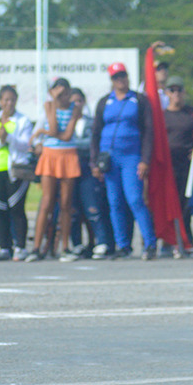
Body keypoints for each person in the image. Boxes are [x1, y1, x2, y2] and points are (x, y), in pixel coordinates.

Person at [91, 63, 157, 261]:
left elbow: (148, 132)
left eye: (123, 75)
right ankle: (123, 245)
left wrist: (145, 159)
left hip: (131, 157)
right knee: (115, 202)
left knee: (135, 199)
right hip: (109, 158)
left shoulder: (138, 99)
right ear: (112, 80)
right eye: (117, 76)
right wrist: (95, 163)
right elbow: (96, 132)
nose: (121, 80)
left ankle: (150, 243)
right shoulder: (104, 102)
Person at [29, 78, 83, 262]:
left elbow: (66, 135)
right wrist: (53, 101)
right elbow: (52, 127)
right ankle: (36, 247)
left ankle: (65, 247)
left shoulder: (75, 108)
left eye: (65, 91)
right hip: (50, 155)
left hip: (68, 154)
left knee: (66, 203)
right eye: (58, 92)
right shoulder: (48, 105)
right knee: (47, 201)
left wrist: (44, 133)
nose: (62, 95)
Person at [0, 85, 33, 262]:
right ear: (0, 101)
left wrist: (8, 138)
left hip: (15, 170)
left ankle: (20, 246)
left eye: (12, 99)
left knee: (16, 208)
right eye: (6, 100)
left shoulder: (22, 120)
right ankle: (3, 246)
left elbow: (25, 144)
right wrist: (0, 143)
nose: (9, 103)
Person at [68, 88, 112, 260]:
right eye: (73, 101)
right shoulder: (65, 122)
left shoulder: (90, 122)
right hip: (70, 169)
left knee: (92, 206)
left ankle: (101, 241)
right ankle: (77, 243)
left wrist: (71, 144)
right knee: (73, 209)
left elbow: (91, 142)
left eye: (79, 101)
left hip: (86, 168)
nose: (76, 105)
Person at [163, 76, 193, 247]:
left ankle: (186, 237)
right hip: (169, 165)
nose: (176, 94)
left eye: (179, 90)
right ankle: (169, 239)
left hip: (187, 163)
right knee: (169, 202)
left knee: (186, 203)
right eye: (172, 90)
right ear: (167, 93)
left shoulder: (192, 113)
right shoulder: (162, 115)